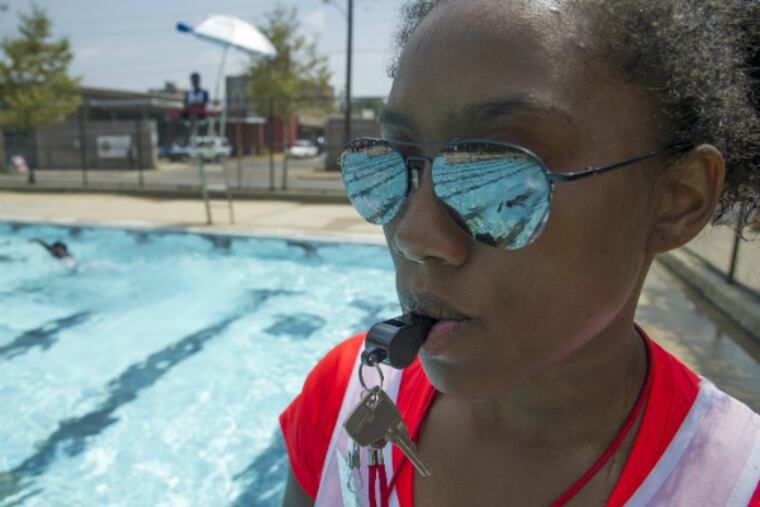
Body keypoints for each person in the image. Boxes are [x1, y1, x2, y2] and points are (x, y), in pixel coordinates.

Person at [280, 1, 760, 506]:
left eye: (497, 175)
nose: (414, 235)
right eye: (390, 165)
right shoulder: (341, 399)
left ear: (677, 200)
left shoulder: (736, 483)